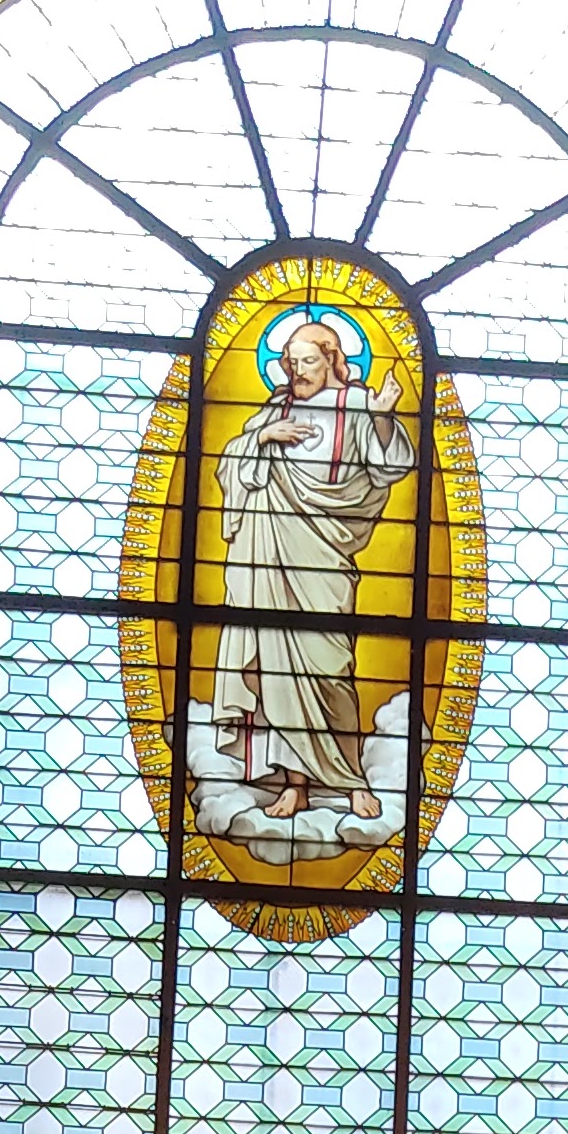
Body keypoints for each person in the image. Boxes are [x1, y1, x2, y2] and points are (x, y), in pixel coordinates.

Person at [208, 318, 414, 825]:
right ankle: (296, 785)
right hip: (269, 557)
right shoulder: (276, 408)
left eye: (308, 361)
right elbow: (229, 464)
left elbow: (390, 467)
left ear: (333, 360)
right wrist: (263, 437)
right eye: (291, 362)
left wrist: (383, 418)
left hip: (325, 554)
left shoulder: (358, 405)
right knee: (277, 667)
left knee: (329, 665)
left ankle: (351, 779)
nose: (297, 371)